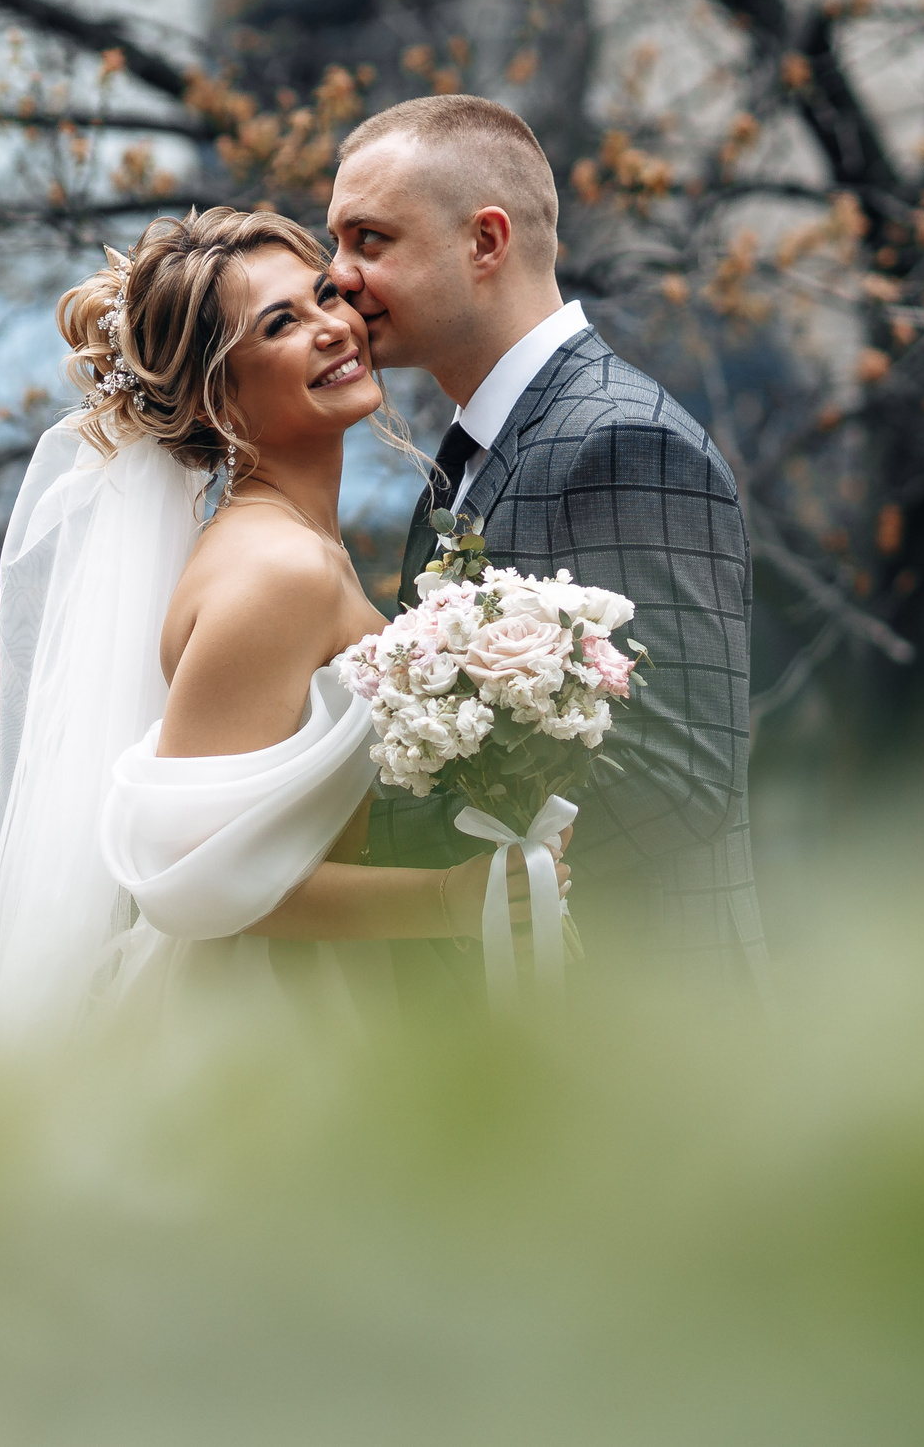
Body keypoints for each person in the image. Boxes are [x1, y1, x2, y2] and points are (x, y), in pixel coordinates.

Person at [0, 208, 566, 1084]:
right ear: (218, 396)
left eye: (322, 295)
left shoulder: (298, 544)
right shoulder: (274, 571)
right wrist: (452, 898)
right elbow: (195, 878)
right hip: (246, 1034)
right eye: (280, 325)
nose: (331, 327)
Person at [326, 94, 769, 1000]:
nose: (337, 278)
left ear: (485, 242)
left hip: (635, 1025)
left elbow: (677, 773)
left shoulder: (622, 441)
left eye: (370, 241)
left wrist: (397, 863)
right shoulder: (470, 460)